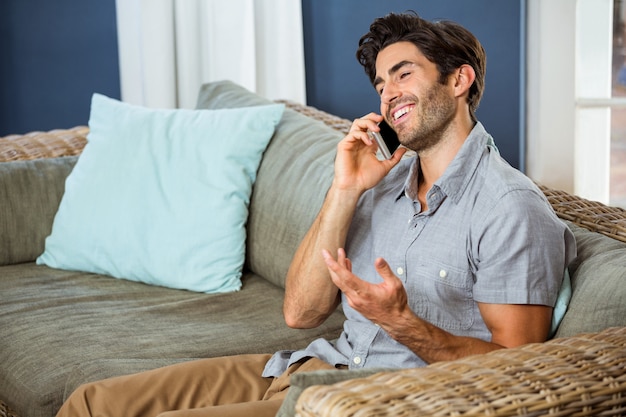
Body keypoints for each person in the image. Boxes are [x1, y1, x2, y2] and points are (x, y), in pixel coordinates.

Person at [56, 11, 576, 417]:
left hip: (369, 399)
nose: (388, 93)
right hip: (309, 367)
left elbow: (517, 370)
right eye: (380, 83)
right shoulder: (382, 179)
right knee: (91, 404)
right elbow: (300, 314)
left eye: (403, 74)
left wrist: (403, 324)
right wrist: (344, 188)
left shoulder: (509, 208)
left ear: (459, 80)